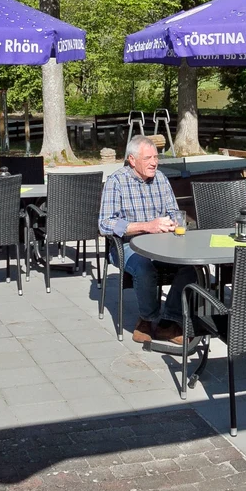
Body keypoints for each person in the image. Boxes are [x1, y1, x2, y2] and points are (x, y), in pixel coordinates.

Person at [98, 136, 196, 346]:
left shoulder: (160, 178)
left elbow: (172, 212)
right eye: (148, 158)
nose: (154, 162)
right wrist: (146, 226)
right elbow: (105, 224)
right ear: (132, 160)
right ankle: (147, 318)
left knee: (190, 267)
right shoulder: (116, 182)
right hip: (127, 245)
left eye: (156, 157)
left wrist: (172, 223)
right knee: (144, 267)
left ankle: (168, 320)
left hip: (161, 242)